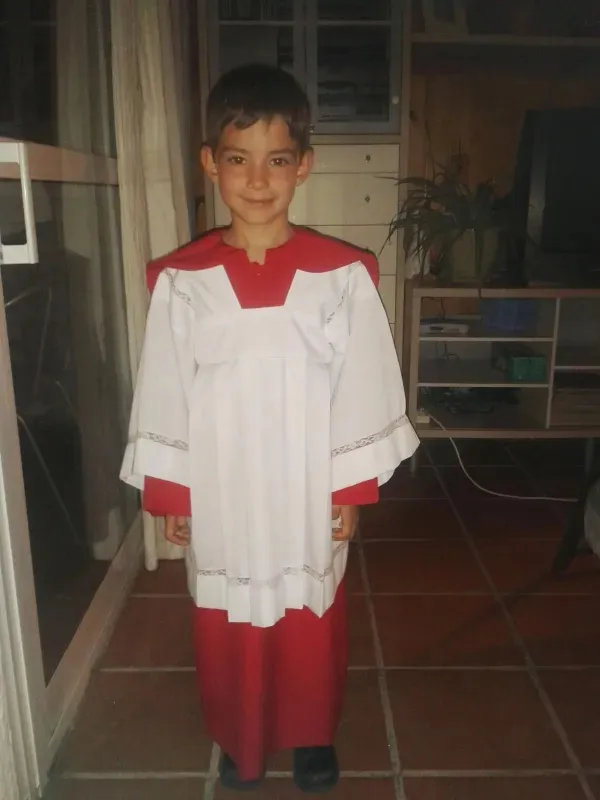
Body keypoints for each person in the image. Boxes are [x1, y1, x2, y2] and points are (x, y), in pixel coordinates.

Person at [121, 62, 419, 793]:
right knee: (228, 623)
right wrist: (171, 495)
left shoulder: (341, 277)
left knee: (310, 616)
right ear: (210, 165)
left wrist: (348, 486)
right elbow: (163, 391)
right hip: (222, 488)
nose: (258, 180)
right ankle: (240, 739)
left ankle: (311, 735)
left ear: (304, 166)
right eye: (238, 159)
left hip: (305, 484)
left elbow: (363, 387)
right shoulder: (180, 284)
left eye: (277, 160)